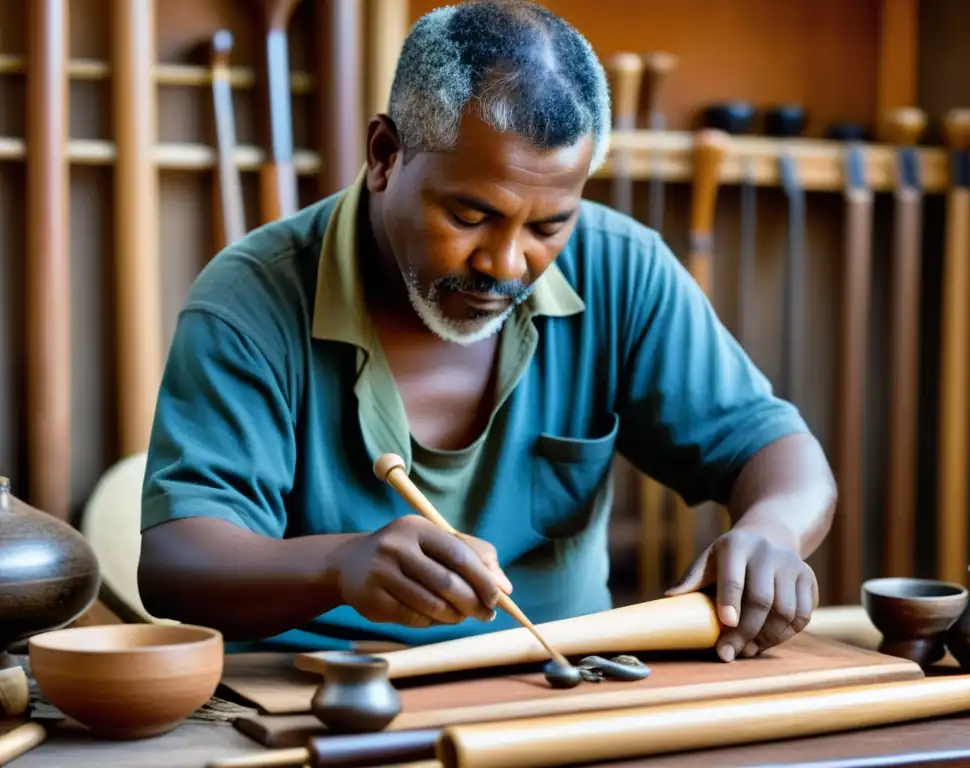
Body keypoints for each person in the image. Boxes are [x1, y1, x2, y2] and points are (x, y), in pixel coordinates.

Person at [137, 0, 836, 664]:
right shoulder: (251, 296)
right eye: (470, 216)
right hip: (316, 700)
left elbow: (780, 456)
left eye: (547, 226)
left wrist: (772, 532)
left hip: (554, 689)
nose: (505, 264)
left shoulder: (624, 269)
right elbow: (175, 564)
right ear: (385, 155)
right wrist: (337, 564)